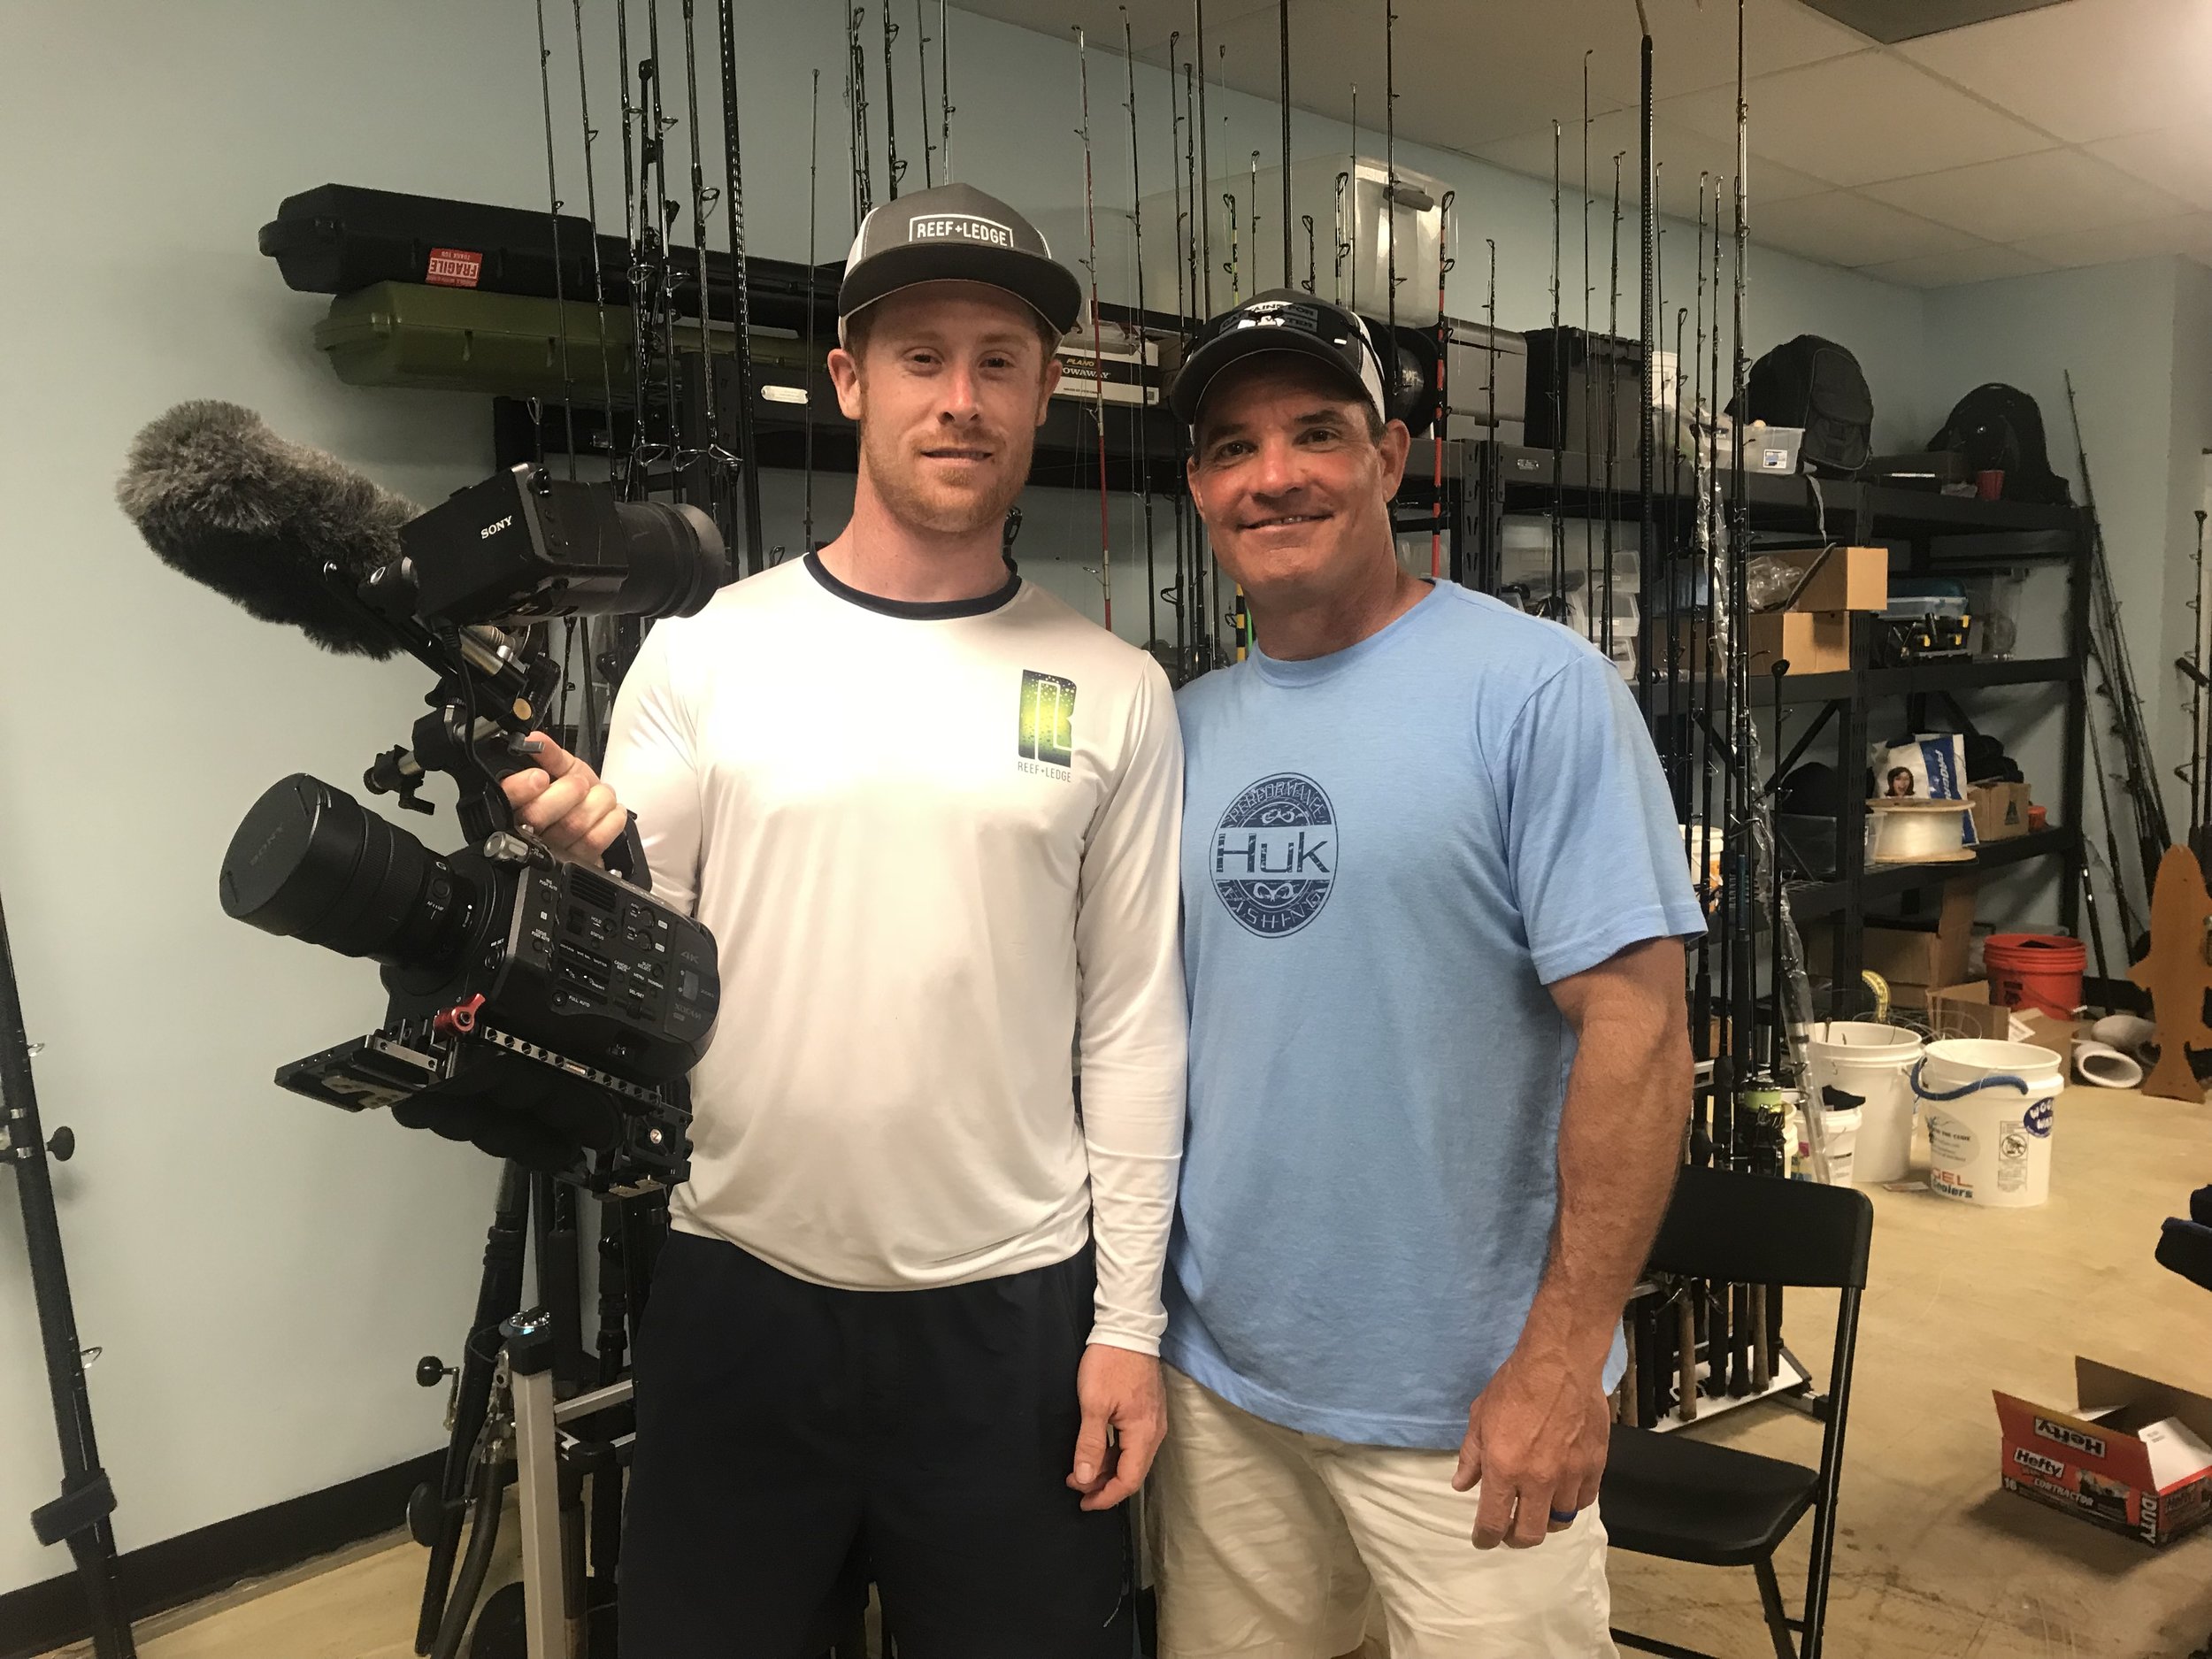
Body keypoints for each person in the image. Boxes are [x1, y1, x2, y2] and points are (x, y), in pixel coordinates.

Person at [502, 182, 1187, 1658]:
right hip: (742, 1295)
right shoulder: (703, 652)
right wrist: (577, 875)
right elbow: (647, 954)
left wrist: (1127, 1325)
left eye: (999, 362)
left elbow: (1136, 1026)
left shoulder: (1118, 689)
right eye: (921, 357)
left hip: (1013, 1317)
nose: (961, 399)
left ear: (1044, 394)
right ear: (850, 380)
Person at [1150, 290, 1703, 1659]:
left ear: (1391, 459)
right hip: (1224, 1386)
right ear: (1201, 488)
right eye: (1233, 447)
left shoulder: (1540, 691)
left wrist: (1563, 1357)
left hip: (1473, 1406)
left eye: (1316, 434)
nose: (1274, 475)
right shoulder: (1179, 728)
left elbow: (1639, 1032)